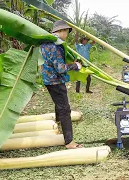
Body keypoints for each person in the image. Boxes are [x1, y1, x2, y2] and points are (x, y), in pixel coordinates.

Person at [40, 20, 83, 149]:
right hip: (56, 80)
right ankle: (69, 142)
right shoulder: (56, 45)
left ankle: (58, 124)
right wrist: (75, 65)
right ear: (62, 31)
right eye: (66, 32)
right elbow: (60, 68)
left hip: (47, 79)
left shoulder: (44, 42)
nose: (66, 35)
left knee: (59, 104)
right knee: (65, 109)